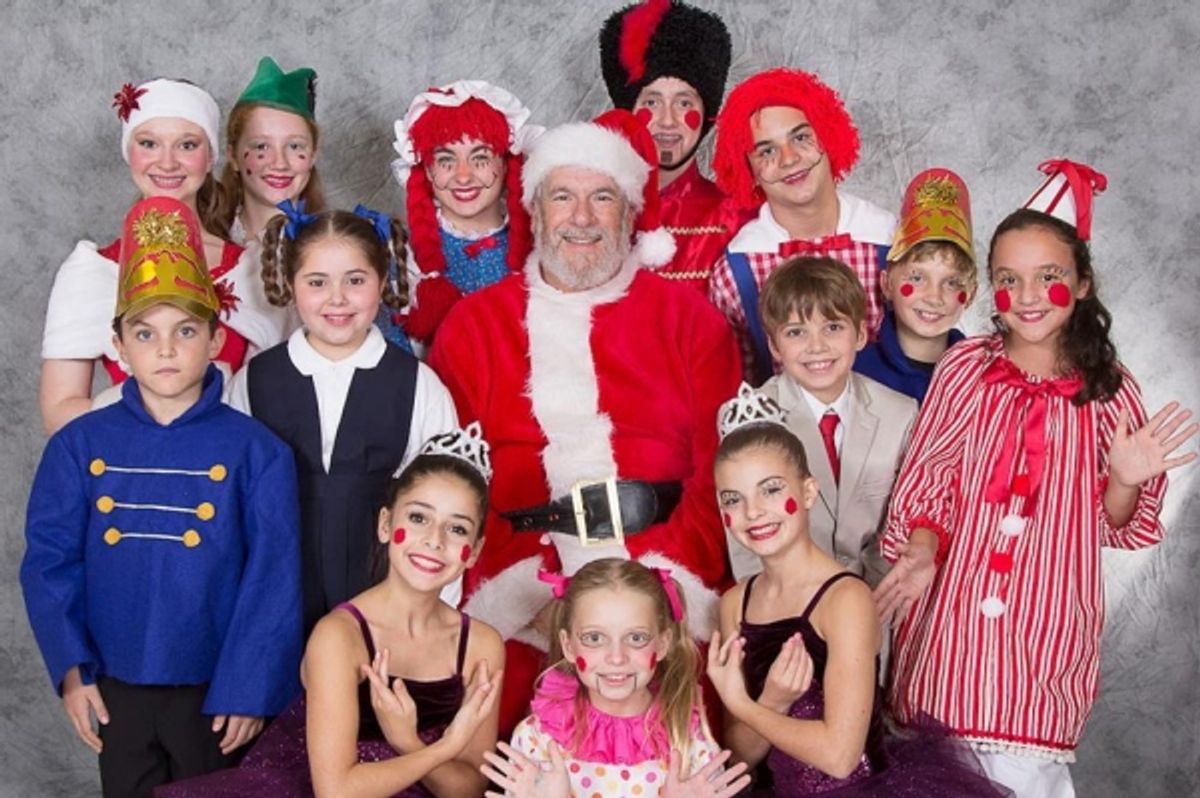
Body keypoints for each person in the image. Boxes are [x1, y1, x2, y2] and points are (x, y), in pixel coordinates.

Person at [874, 160, 1198, 797]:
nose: (1026, 296)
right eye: (1008, 280)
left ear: (1082, 283)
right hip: (952, 634)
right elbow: (929, 478)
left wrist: (1124, 478)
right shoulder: (965, 368)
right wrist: (922, 548)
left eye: (1048, 277)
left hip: (1042, 641)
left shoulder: (1110, 391)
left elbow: (1116, 524)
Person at [429, 110, 741, 734]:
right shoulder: (473, 328)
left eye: (602, 197)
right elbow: (449, 485)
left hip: (662, 580)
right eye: (562, 197)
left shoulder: (691, 322)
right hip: (521, 591)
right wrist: (532, 592)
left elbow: (723, 473)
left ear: (629, 215)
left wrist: (655, 593)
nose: (581, 218)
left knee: (687, 733)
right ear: (535, 211)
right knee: (487, 733)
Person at [21, 197, 303, 797]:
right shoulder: (78, 444)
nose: (167, 350)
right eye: (145, 333)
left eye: (186, 331)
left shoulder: (258, 451)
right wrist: (71, 670)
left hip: (216, 689)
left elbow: (273, 579)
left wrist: (249, 686)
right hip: (114, 681)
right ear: (119, 347)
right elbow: (49, 562)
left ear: (215, 339)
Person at [157, 424, 506, 798]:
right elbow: (335, 791)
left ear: (475, 550)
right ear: (385, 524)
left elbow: (468, 790)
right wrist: (443, 750)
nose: (434, 540)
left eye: (457, 529)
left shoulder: (481, 645)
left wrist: (408, 742)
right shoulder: (340, 636)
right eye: (419, 518)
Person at [706, 385, 1010, 796]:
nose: (753, 512)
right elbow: (742, 759)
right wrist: (773, 701)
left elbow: (840, 756)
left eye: (771, 489)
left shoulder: (846, 599)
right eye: (733, 499)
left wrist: (744, 705)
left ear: (807, 491)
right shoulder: (734, 604)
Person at [227, 206, 457, 633]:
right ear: (291, 284)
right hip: (275, 606)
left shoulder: (418, 385)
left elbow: (447, 506)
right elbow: (231, 501)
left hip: (385, 610)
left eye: (355, 280)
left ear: (382, 281)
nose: (337, 298)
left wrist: (430, 620)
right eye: (317, 282)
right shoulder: (254, 382)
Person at [40, 77, 291, 433]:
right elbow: (58, 411)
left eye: (187, 145)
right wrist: (153, 415)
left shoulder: (249, 270)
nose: (168, 162)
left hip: (228, 458)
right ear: (129, 152)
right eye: (149, 143)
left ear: (210, 157)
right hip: (126, 459)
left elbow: (280, 403)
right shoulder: (93, 272)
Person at [480, 558, 751, 797]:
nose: (616, 657)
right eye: (594, 638)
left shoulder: (687, 735)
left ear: (662, 643)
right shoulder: (536, 737)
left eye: (636, 638)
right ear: (568, 646)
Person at [727, 258, 917, 587]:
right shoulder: (751, 418)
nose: (816, 347)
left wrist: (866, 602)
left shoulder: (900, 413)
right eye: (796, 332)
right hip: (788, 599)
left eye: (833, 328)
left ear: (860, 334)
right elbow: (745, 539)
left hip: (877, 597)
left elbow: (901, 524)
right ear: (774, 346)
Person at [708, 68, 896, 384]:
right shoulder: (737, 271)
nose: (789, 158)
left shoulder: (887, 240)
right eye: (766, 151)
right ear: (748, 170)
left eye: (800, 137)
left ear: (827, 136)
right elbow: (738, 388)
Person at [598, 0, 749, 291]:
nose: (668, 121)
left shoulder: (739, 217)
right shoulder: (590, 210)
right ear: (628, 112)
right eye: (652, 102)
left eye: (684, 103)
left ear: (707, 115)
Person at [387, 80, 541, 351]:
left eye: (480, 158)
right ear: (427, 170)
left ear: (507, 164)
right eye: (446, 160)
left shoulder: (542, 251)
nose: (463, 176)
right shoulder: (401, 257)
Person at [855, 168, 978, 403]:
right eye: (917, 278)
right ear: (887, 284)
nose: (934, 297)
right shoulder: (855, 371)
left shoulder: (982, 377)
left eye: (951, 282)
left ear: (970, 295)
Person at [221, 56, 326, 246]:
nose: (280, 163)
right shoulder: (201, 244)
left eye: (295, 146)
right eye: (261, 146)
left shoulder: (336, 247)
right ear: (233, 156)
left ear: (313, 156)